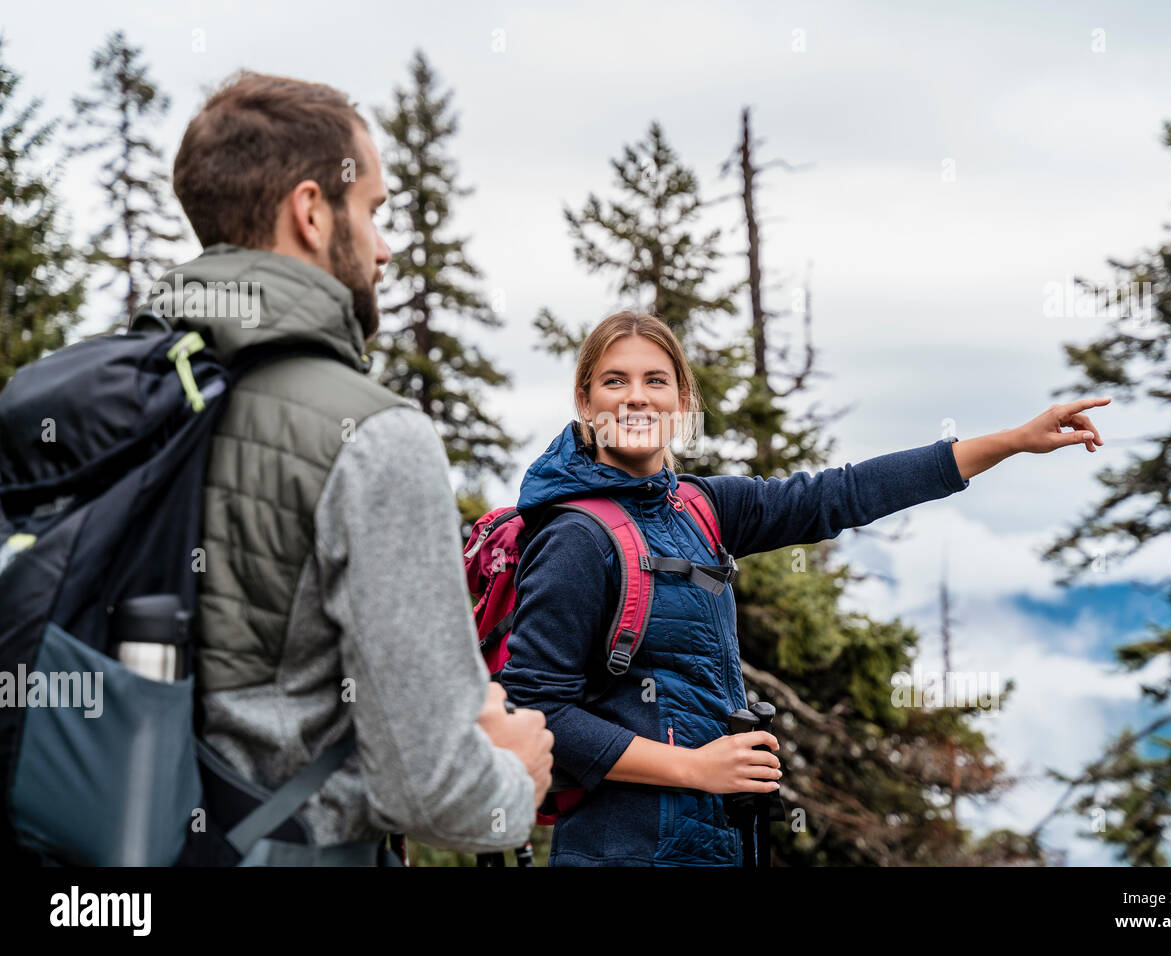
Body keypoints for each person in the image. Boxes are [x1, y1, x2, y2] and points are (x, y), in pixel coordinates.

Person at [500, 310, 1109, 866]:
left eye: (656, 381)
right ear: (585, 401)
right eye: (615, 381)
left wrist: (1012, 441)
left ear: (683, 400)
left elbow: (836, 494)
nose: (637, 397)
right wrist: (695, 768)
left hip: (714, 842)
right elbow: (536, 709)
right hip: (621, 849)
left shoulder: (699, 508)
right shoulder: (576, 537)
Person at [160, 71, 551, 859]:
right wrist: (516, 778)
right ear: (311, 210)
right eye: (371, 210)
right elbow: (434, 788)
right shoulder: (372, 436)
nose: (385, 246)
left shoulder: (118, 396)